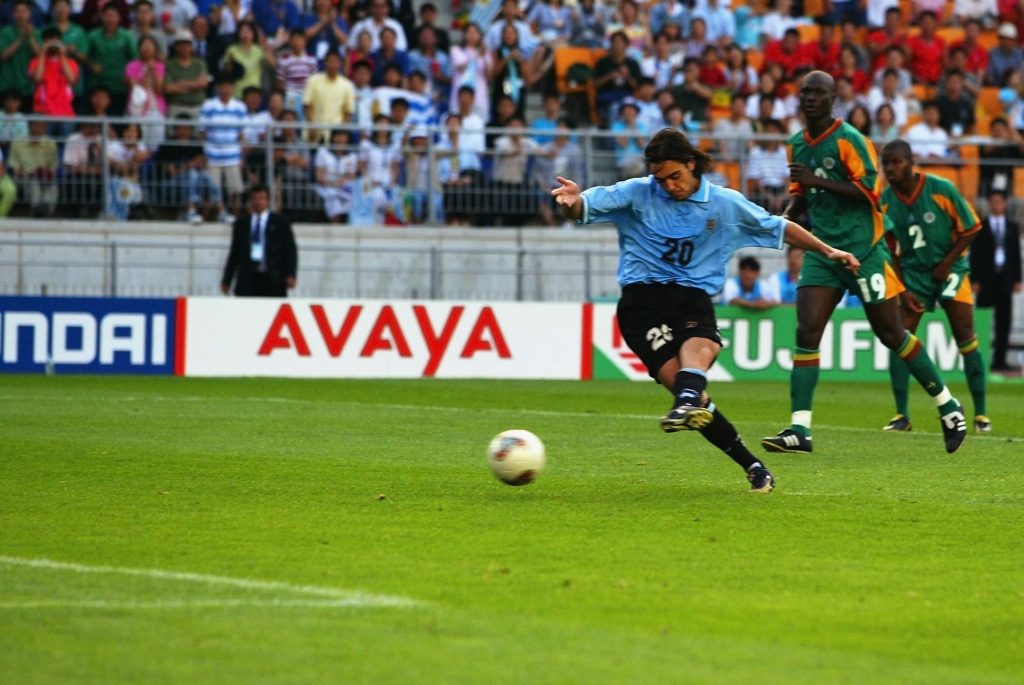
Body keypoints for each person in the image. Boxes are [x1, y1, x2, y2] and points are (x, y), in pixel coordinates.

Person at [550, 127, 861, 493]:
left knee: (701, 353)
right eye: (661, 179)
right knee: (693, 393)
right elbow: (585, 205)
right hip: (642, 304)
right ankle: (749, 460)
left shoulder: (724, 204)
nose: (668, 186)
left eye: (675, 177)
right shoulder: (637, 193)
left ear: (691, 164)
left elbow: (781, 227)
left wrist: (828, 251)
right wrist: (572, 202)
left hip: (692, 298)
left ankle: (694, 412)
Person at [760, 71, 968, 455]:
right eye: (805, 92)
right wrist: (782, 217)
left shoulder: (850, 141)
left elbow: (869, 193)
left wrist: (816, 182)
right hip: (825, 253)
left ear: (832, 98)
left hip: (865, 251)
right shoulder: (795, 145)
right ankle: (800, 429)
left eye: (817, 92)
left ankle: (948, 406)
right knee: (807, 330)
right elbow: (802, 197)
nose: (809, 98)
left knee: (892, 335)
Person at [880, 139, 989, 433]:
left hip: (950, 268)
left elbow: (972, 227)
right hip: (914, 274)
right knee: (900, 339)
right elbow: (888, 250)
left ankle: (981, 415)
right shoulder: (885, 201)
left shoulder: (941, 189)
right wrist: (902, 288)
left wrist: (947, 262)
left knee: (965, 335)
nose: (890, 168)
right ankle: (901, 415)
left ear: (911, 161)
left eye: (896, 162)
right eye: (885, 162)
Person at [970, 190, 1023, 371]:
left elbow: (1015, 255)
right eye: (992, 202)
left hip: (1005, 278)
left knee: (1004, 321)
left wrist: (1017, 279)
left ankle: (1000, 360)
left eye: (999, 201)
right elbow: (975, 256)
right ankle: (980, 357)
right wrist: (974, 279)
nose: (996, 205)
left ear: (1005, 204)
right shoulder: (981, 226)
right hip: (986, 279)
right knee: (982, 318)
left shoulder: (1012, 227)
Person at [221, 182, 298, 297]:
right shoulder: (241, 224)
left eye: (261, 198)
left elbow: (290, 250)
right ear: (250, 201)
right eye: (254, 198)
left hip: (272, 278)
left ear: (267, 201)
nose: (258, 202)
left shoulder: (280, 222)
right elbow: (234, 253)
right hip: (248, 278)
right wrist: (227, 280)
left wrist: (291, 274)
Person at [199, 72, 247, 222]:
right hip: (213, 155)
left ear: (233, 88)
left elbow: (242, 134)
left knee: (236, 191)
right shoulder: (208, 105)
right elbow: (202, 132)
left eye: (229, 86)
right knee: (214, 190)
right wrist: (205, 153)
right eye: (223, 86)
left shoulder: (239, 107)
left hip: (232, 155)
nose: (226, 89)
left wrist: (241, 157)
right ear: (218, 88)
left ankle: (236, 218)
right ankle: (216, 215)